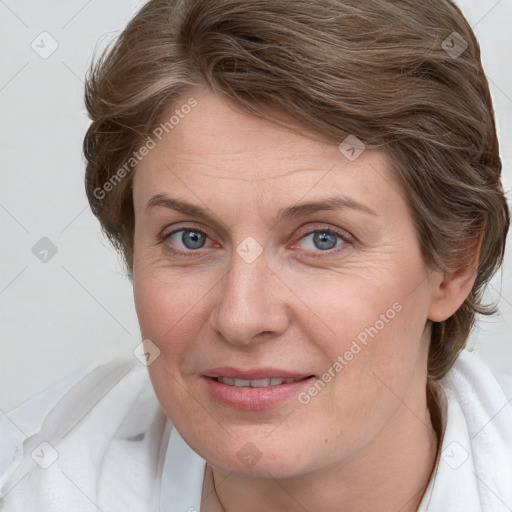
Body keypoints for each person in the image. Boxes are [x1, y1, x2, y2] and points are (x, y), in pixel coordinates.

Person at [1, 0, 511, 511]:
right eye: (190, 238)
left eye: (322, 239)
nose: (241, 318)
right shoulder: (31, 483)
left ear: (454, 264)